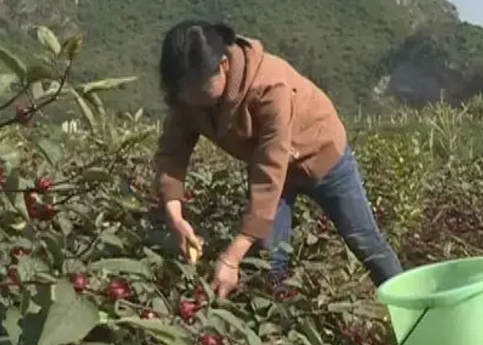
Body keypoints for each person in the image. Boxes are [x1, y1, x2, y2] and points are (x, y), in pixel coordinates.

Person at [152, 20, 402, 299]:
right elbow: (172, 155)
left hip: (323, 159)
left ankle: (415, 312)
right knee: (269, 259)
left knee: (366, 243)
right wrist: (175, 216)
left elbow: (269, 171)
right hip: (274, 172)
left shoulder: (269, 85)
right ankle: (278, 327)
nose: (190, 100)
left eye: (198, 90)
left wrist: (231, 257)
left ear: (223, 65)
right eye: (183, 92)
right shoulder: (188, 98)